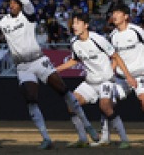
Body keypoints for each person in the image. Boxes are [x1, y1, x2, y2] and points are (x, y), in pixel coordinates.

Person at [0, 0, 98, 149]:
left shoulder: (27, 15)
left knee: (64, 91)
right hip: (22, 67)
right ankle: (46, 137)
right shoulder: (2, 21)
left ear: (20, 5)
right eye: (10, 2)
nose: (11, 5)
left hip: (39, 60)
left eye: (14, 2)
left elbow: (26, 1)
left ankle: (87, 125)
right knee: (31, 98)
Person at [54, 12, 132, 149]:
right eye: (73, 23)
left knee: (105, 107)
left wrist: (128, 76)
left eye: (77, 23)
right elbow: (74, 60)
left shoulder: (98, 39)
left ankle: (124, 139)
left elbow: (116, 56)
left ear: (86, 25)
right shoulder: (74, 42)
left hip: (106, 81)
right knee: (71, 104)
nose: (74, 26)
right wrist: (56, 70)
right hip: (90, 82)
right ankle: (83, 138)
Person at [107, 2, 144, 149]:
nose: (114, 15)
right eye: (113, 13)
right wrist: (109, 74)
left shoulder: (136, 30)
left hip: (139, 75)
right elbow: (115, 57)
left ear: (125, 16)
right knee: (106, 103)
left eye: (118, 13)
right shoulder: (112, 36)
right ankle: (108, 135)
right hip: (121, 78)